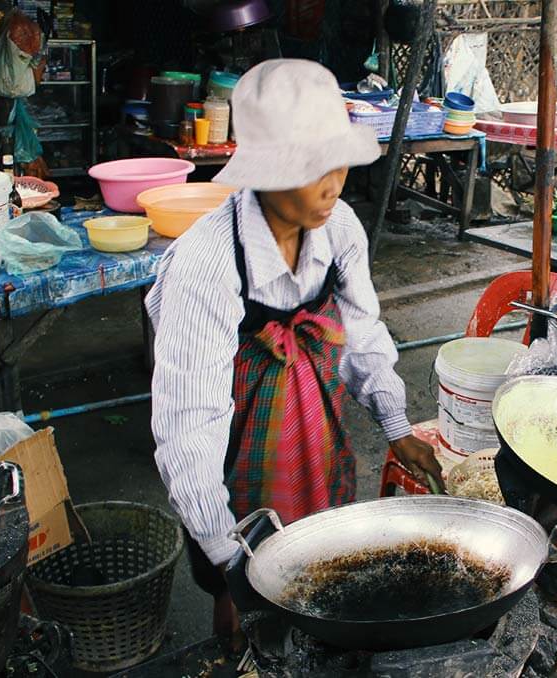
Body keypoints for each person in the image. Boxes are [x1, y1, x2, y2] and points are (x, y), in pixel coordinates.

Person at [146, 59, 444, 642]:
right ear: (266, 169)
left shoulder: (341, 231)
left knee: (321, 570)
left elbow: (362, 333)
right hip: (236, 461)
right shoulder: (205, 266)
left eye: (338, 160)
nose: (333, 181)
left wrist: (395, 423)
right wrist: (223, 551)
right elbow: (188, 424)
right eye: (312, 166)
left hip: (318, 435)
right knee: (247, 615)